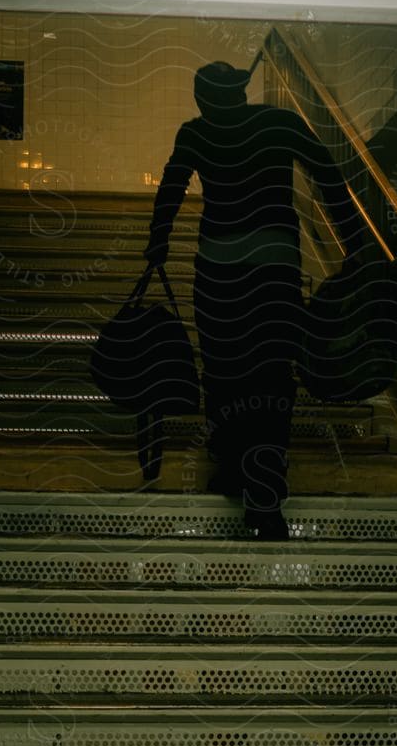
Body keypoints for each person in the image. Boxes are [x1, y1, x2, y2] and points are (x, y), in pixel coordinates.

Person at [145, 60, 365, 539]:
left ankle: (228, 465)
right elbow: (329, 177)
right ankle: (265, 490)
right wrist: (357, 245)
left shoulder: (196, 132)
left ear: (203, 99)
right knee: (271, 372)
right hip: (274, 268)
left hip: (218, 270)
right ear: (241, 94)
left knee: (224, 368)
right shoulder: (279, 122)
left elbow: (171, 188)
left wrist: (157, 243)